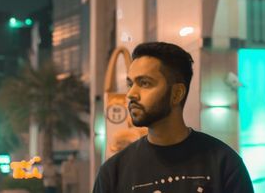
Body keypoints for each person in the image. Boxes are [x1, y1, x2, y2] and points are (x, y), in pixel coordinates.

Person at [93, 42, 254, 193]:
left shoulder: (224, 164)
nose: (131, 94)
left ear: (177, 94)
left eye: (145, 83)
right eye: (130, 84)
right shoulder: (113, 172)